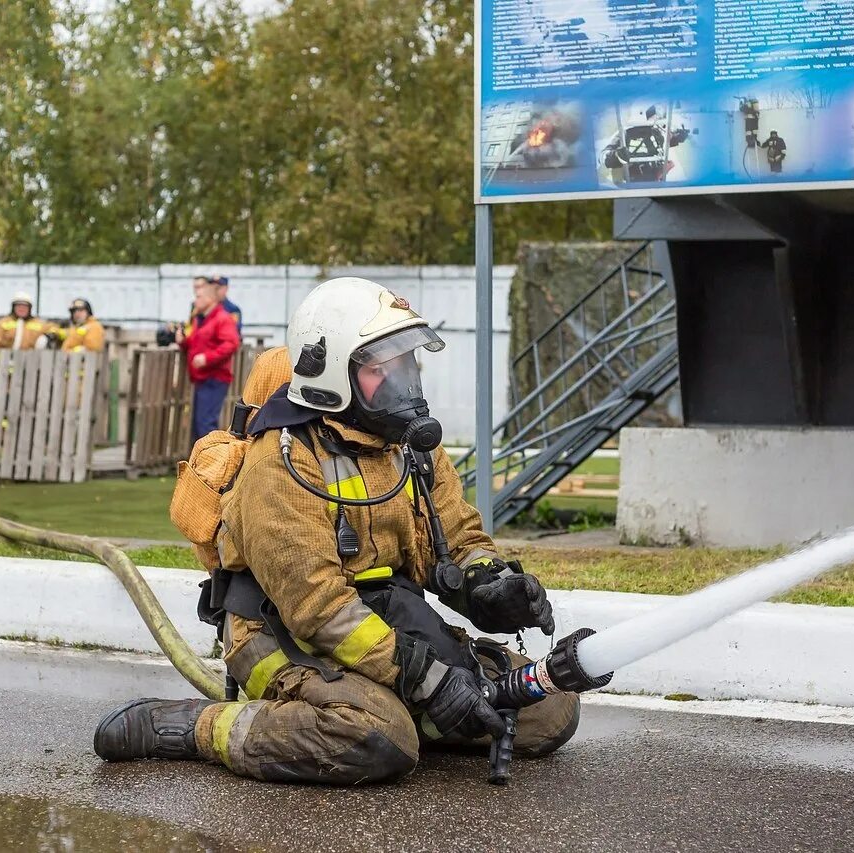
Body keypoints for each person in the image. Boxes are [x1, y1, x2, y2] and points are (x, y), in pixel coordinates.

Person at [92, 277, 577, 786]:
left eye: (406, 363)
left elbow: (457, 537)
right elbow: (319, 608)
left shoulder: (410, 444)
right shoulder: (284, 461)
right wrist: (430, 679)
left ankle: (394, 708)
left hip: (387, 618)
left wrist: (488, 585)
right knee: (377, 738)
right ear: (332, 373)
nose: (403, 382)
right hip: (281, 631)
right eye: (379, 369)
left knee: (551, 711)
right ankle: (195, 726)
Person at [177, 277, 240, 443]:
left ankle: (212, 465)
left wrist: (207, 358)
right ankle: (203, 464)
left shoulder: (222, 318)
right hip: (203, 378)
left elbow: (231, 343)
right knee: (199, 425)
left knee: (206, 425)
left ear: (210, 298)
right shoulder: (201, 319)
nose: (195, 300)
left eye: (199, 297)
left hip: (215, 378)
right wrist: (183, 341)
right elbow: (197, 343)